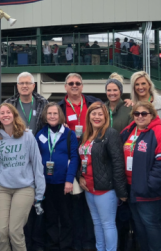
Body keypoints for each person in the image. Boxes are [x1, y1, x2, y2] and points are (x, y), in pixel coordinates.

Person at [0, 103, 45, 251]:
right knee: (0, 231)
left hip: (24, 188)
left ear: (14, 115)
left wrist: (39, 193)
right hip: (2, 189)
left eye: (8, 112)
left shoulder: (27, 136)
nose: (5, 115)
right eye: (2, 113)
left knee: (15, 231)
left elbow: (37, 164)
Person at [120, 101, 161, 251]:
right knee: (139, 225)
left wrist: (148, 185)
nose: (140, 116)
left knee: (151, 224)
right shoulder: (129, 130)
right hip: (131, 188)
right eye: (137, 113)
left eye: (144, 113)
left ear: (152, 115)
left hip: (149, 191)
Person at [57, 73, 99, 251]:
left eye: (78, 83)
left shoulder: (93, 103)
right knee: (73, 207)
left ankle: (89, 245)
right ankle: (74, 245)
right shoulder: (59, 107)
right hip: (71, 160)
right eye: (71, 83)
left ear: (82, 86)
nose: (74, 86)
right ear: (65, 87)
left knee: (90, 208)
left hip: (92, 159)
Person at [78, 103, 128, 251]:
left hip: (105, 189)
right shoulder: (86, 135)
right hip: (89, 188)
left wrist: (121, 191)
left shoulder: (110, 134)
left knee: (107, 224)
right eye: (94, 114)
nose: (97, 117)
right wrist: (79, 175)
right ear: (89, 116)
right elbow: (80, 159)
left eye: (100, 114)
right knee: (97, 223)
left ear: (105, 116)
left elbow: (118, 163)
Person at [35, 102, 79, 251]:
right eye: (49, 114)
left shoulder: (69, 134)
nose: (52, 116)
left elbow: (74, 158)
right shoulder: (40, 134)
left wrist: (69, 180)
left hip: (63, 183)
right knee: (50, 218)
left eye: (55, 113)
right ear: (45, 116)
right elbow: (35, 158)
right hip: (46, 183)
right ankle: (52, 246)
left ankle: (66, 247)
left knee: (66, 218)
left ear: (60, 116)